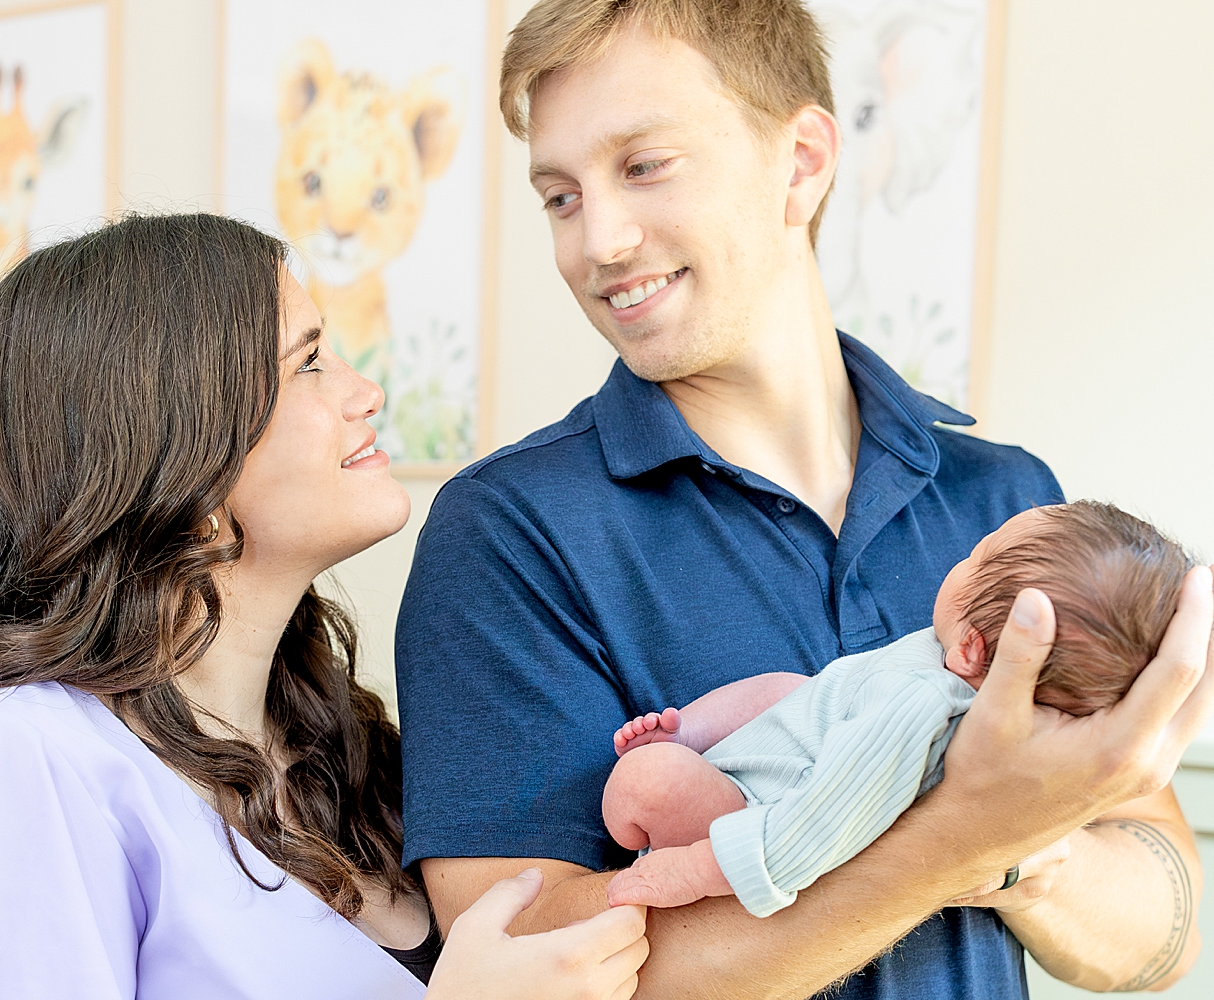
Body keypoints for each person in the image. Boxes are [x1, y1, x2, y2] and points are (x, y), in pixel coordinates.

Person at [394, 1, 1213, 996]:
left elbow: (1159, 931)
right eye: (560, 196)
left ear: (804, 160)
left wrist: (1023, 851)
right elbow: (525, 963)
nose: (597, 241)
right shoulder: (508, 535)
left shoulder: (1015, 514)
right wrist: (956, 834)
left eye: (644, 165)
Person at [0, 214, 648, 999]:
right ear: (178, 454)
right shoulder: (16, 759)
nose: (364, 392)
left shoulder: (340, 756)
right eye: (308, 363)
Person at [601, 502, 1192, 915]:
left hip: (763, 816)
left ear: (971, 649)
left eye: (975, 558)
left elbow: (819, 824)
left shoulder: (920, 705)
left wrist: (702, 869)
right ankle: (689, 736)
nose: (957, 561)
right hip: (802, 739)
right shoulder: (949, 663)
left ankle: (676, 777)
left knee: (646, 781)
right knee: (790, 686)